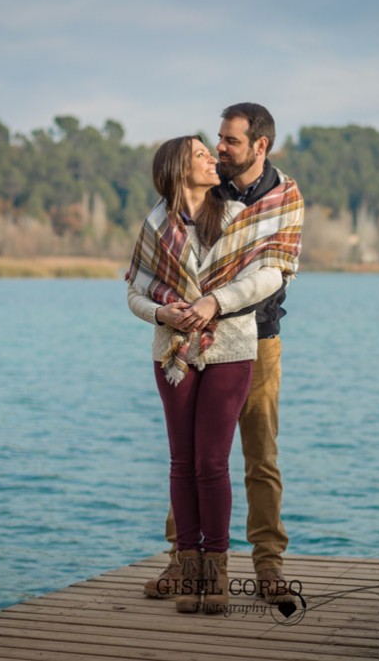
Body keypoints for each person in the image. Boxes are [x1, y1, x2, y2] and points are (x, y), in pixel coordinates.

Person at [126, 132, 302, 614]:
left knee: (215, 462)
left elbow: (267, 274)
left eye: (216, 148)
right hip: (173, 351)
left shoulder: (238, 216)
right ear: (178, 168)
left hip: (234, 344)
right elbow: (137, 293)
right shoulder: (155, 225)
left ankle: (222, 573)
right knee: (182, 463)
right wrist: (164, 315)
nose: (213, 157)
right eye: (202, 153)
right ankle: (188, 569)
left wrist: (213, 301)